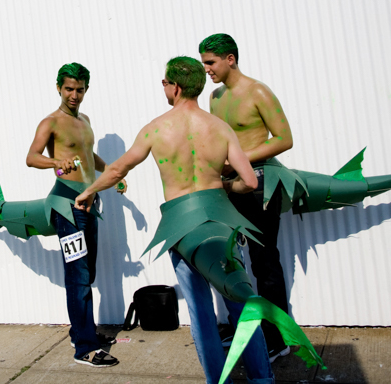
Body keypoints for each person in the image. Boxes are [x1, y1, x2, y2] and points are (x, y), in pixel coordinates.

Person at [73, 56, 274, 384]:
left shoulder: (156, 128)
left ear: (176, 87)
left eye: (165, 82)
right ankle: (262, 380)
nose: (163, 86)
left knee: (201, 313)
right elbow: (250, 182)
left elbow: (117, 169)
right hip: (221, 222)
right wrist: (220, 186)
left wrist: (88, 192)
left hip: (182, 225)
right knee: (240, 304)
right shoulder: (219, 127)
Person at [199, 33, 293, 361]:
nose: (206, 69)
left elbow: (284, 138)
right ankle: (240, 325)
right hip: (228, 188)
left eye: (210, 62)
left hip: (261, 185)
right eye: (203, 63)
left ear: (230, 59)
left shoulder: (258, 92)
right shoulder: (215, 97)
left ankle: (279, 337)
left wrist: (242, 160)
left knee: (265, 261)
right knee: (232, 258)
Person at [25, 62, 126, 368]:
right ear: (59, 88)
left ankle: (78, 330)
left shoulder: (85, 120)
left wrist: (111, 172)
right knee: (78, 275)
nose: (74, 95)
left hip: (89, 203)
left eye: (80, 89)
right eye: (69, 89)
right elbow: (31, 158)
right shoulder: (50, 122)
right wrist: (55, 162)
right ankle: (85, 346)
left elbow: (87, 155)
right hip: (65, 204)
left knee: (88, 272)